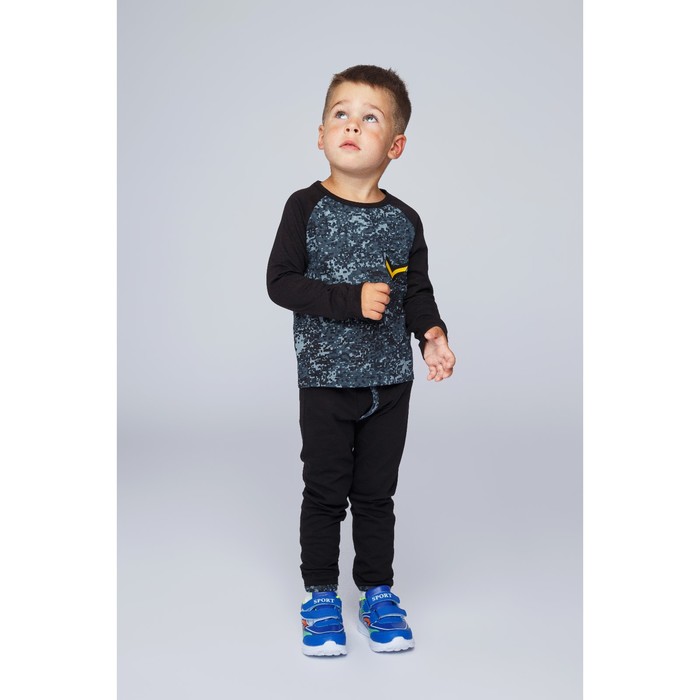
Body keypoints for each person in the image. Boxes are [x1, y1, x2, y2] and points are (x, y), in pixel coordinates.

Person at [267, 65, 455, 656]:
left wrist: (432, 333)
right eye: (341, 114)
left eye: (369, 118)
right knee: (325, 491)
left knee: (376, 495)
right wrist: (349, 300)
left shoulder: (404, 220)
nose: (352, 125)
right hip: (325, 382)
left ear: (394, 146)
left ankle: (377, 591)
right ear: (321, 133)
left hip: (390, 384)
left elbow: (416, 290)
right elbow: (280, 282)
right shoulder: (304, 208)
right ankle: (321, 596)